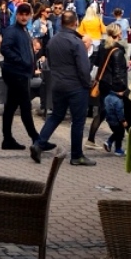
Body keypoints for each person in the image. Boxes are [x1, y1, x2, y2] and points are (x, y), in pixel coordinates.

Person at [31, 10, 95, 166]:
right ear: (75, 23)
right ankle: (77, 155)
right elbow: (83, 68)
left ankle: (39, 143)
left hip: (58, 84)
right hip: (76, 86)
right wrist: (87, 84)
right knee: (78, 121)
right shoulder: (76, 42)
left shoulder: (53, 41)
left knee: (56, 115)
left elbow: (50, 63)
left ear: (61, 23)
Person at [0, 4, 40, 150]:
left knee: (10, 107)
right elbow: (4, 48)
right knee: (25, 106)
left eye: (26, 14)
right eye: (21, 14)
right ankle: (36, 139)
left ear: (30, 15)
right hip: (16, 73)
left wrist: (30, 64)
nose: (23, 17)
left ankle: (7, 139)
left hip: (21, 72)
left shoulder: (24, 30)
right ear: (16, 15)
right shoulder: (12, 30)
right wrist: (21, 61)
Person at [87, 23, 130, 154]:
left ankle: (91, 139)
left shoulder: (103, 46)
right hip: (113, 86)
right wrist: (122, 88)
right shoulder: (118, 50)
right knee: (119, 114)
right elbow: (118, 73)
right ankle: (117, 146)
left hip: (103, 83)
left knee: (102, 112)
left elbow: (98, 63)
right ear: (118, 34)